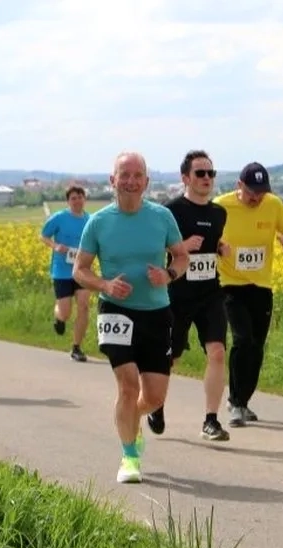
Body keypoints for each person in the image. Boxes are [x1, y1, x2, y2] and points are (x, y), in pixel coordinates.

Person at [72, 151, 189, 484]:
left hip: (156, 312)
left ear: (146, 182)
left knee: (153, 398)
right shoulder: (99, 222)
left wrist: (168, 274)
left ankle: (131, 423)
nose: (131, 181)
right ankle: (129, 456)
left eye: (138, 175)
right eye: (124, 175)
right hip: (115, 311)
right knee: (127, 386)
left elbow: (181, 257)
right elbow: (80, 270)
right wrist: (105, 284)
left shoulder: (162, 217)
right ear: (113, 180)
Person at [145, 150, 232, 442]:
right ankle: (155, 404)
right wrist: (181, 246)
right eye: (200, 173)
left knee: (218, 352)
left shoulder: (219, 213)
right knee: (172, 357)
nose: (207, 178)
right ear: (185, 178)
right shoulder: (170, 211)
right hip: (177, 295)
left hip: (210, 293)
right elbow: (154, 248)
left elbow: (212, 240)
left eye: (211, 173)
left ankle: (211, 420)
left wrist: (220, 247)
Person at [214, 162, 283, 427]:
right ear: (239, 185)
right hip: (230, 284)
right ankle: (236, 402)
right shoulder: (221, 206)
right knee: (242, 339)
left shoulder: (272, 204)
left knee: (257, 346)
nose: (256, 198)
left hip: (261, 286)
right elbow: (204, 236)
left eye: (261, 192)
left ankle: (242, 399)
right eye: (252, 192)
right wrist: (217, 246)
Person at [40, 184, 91, 362]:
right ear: (68, 201)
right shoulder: (59, 218)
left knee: (84, 306)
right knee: (65, 312)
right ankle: (59, 318)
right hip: (62, 271)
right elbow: (43, 236)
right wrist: (56, 246)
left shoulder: (90, 220)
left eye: (80, 197)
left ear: (85, 199)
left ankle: (77, 347)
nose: (77, 201)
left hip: (83, 270)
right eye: (73, 198)